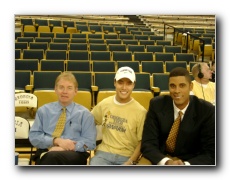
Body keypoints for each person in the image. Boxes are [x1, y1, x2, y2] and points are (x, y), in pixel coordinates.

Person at [138, 67, 215, 165]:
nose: (177, 90)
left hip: (191, 160)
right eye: (173, 86)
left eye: (182, 85)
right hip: (160, 157)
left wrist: (185, 165)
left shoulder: (206, 110)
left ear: (191, 86)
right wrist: (167, 162)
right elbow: (148, 143)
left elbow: (210, 152)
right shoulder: (156, 105)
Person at [29, 72, 96, 165]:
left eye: (69, 88)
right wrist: (56, 141)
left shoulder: (85, 114)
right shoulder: (43, 111)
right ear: (55, 89)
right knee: (50, 157)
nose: (65, 91)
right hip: (47, 150)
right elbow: (33, 137)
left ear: (75, 91)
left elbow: (90, 142)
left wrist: (67, 147)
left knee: (52, 157)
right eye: (61, 87)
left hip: (75, 153)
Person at [90, 66, 147, 165]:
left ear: (134, 85)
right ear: (114, 83)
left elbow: (141, 142)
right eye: (120, 82)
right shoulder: (104, 104)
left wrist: (130, 161)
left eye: (129, 83)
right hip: (103, 154)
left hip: (127, 157)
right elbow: (88, 121)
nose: (124, 87)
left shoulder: (141, 112)